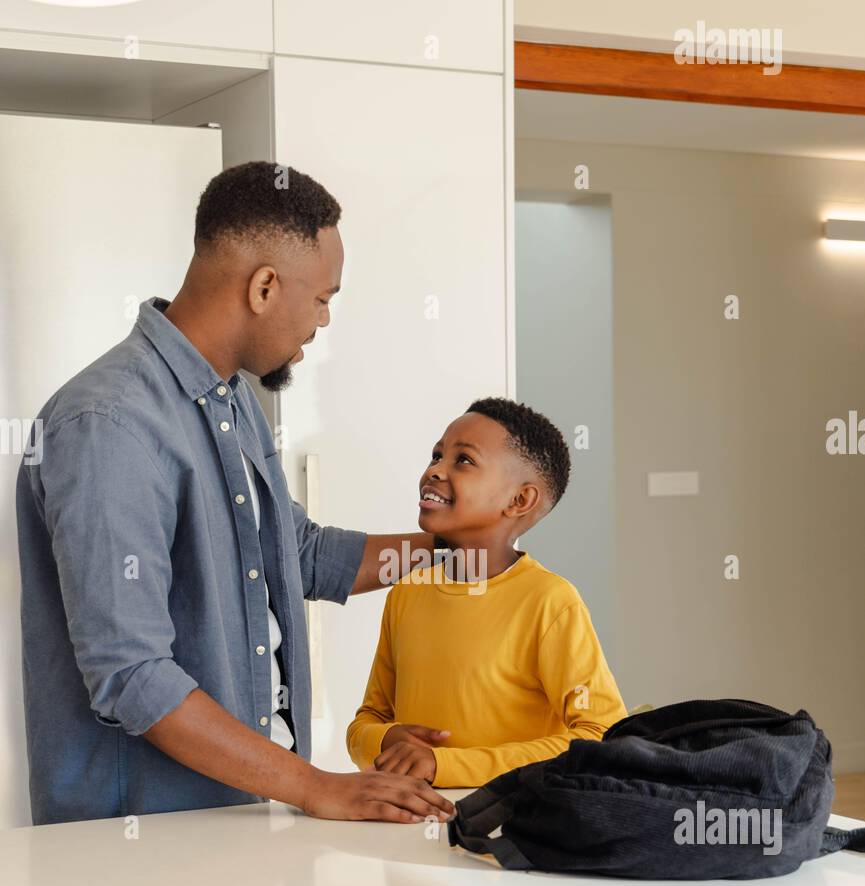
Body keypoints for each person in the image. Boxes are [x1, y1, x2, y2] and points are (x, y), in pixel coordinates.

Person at [16, 161, 454, 827]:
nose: (324, 320)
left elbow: (297, 553)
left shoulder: (232, 402)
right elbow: (132, 676)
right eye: (323, 297)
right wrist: (317, 787)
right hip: (137, 845)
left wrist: (455, 549)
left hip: (239, 820)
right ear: (265, 286)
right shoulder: (109, 423)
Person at [346, 398, 627, 786]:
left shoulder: (549, 602)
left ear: (519, 500)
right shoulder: (406, 594)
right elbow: (366, 723)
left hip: (506, 827)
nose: (434, 471)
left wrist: (445, 765)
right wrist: (386, 739)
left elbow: (599, 736)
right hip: (408, 819)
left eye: (463, 461)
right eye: (436, 454)